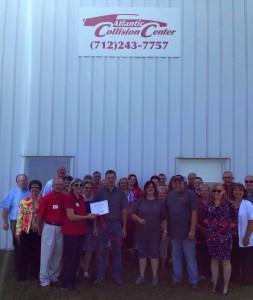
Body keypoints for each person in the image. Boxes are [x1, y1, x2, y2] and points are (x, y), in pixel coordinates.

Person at [93, 170, 129, 285]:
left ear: (115, 178)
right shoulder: (99, 193)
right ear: (105, 178)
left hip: (116, 224)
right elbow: (94, 211)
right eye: (108, 177)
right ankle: (100, 275)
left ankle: (117, 276)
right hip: (102, 224)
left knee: (117, 251)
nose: (110, 179)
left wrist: (124, 227)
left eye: (112, 177)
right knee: (101, 251)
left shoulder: (120, 193)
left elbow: (124, 210)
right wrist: (94, 227)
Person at [203, 183, 237, 295]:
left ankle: (226, 286)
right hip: (212, 237)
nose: (216, 193)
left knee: (226, 261)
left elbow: (234, 219)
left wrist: (225, 227)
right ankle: (215, 285)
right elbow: (204, 218)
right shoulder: (208, 204)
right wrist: (213, 226)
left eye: (219, 191)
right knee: (214, 260)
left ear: (223, 191)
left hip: (225, 236)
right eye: (214, 191)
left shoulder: (229, 204)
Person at [61, 178, 96, 291]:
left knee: (76, 257)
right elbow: (71, 216)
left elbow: (81, 213)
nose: (79, 186)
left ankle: (72, 280)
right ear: (72, 186)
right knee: (70, 258)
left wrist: (90, 214)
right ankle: (66, 284)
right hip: (71, 232)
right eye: (76, 185)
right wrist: (87, 217)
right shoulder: (69, 198)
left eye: (80, 185)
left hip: (81, 232)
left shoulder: (81, 198)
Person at [166, 175, 199, 290]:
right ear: (172, 184)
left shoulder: (191, 195)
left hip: (188, 234)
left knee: (190, 257)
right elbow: (167, 214)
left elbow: (195, 213)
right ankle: (176, 278)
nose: (177, 185)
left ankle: (194, 280)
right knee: (176, 257)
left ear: (184, 183)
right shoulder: (169, 195)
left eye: (179, 183)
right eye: (175, 183)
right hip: (174, 233)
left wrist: (192, 230)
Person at [131, 181, 167, 286]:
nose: (150, 189)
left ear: (155, 189)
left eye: (152, 187)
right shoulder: (140, 201)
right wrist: (138, 219)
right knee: (142, 255)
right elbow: (132, 214)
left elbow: (165, 218)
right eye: (148, 187)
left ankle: (155, 277)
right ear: (145, 189)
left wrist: (165, 231)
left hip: (155, 234)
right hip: (141, 233)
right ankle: (142, 276)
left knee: (154, 255)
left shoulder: (159, 203)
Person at [37, 178, 67, 287]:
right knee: (46, 254)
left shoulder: (65, 197)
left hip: (61, 228)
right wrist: (39, 228)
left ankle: (54, 277)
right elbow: (39, 215)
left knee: (58, 254)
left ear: (63, 186)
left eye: (60, 184)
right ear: (52, 186)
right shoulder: (47, 198)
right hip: (49, 227)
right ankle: (44, 280)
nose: (58, 186)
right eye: (56, 184)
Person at [0, 174, 30, 272]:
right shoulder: (13, 193)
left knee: (28, 244)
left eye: (24, 180)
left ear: (27, 181)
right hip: (16, 222)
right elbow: (5, 208)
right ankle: (18, 268)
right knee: (18, 244)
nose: (23, 182)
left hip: (30, 222)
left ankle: (27, 265)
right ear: (17, 182)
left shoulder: (31, 192)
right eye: (20, 180)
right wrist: (5, 222)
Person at [15, 180, 42, 281]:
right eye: (33, 187)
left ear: (40, 189)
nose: (35, 189)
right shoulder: (24, 201)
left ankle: (34, 274)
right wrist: (18, 232)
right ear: (30, 189)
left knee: (36, 253)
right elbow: (20, 217)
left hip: (38, 231)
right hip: (26, 231)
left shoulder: (43, 200)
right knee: (23, 253)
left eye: (37, 187)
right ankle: (22, 276)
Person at [230, 183, 253, 286]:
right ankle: (234, 277)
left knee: (246, 260)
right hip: (231, 236)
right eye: (235, 190)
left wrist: (247, 236)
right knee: (233, 258)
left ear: (243, 192)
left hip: (244, 236)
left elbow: (251, 221)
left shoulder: (248, 204)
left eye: (240, 190)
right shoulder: (229, 203)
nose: (237, 192)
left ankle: (246, 280)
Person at [117, 178, 137, 256]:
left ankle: (127, 252)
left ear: (127, 184)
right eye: (121, 183)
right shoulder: (116, 193)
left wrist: (127, 213)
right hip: (118, 218)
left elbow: (133, 205)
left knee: (127, 236)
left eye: (124, 183)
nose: (123, 184)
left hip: (128, 218)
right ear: (119, 184)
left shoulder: (131, 193)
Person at [196, 183, 211, 279]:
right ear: (199, 192)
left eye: (206, 190)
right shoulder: (197, 202)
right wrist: (201, 228)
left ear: (209, 192)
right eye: (202, 190)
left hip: (213, 231)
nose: (204, 192)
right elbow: (193, 217)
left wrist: (209, 228)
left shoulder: (214, 202)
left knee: (211, 252)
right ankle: (203, 272)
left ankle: (211, 272)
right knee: (201, 252)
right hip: (200, 230)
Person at [82, 180, 96, 278]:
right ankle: (79, 267)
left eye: (90, 188)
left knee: (89, 249)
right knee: (77, 248)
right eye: (87, 187)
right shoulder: (79, 198)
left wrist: (95, 227)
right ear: (83, 188)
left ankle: (86, 270)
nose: (89, 189)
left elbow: (96, 215)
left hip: (90, 227)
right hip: (79, 226)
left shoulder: (95, 199)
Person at [158, 186, 170, 269]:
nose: (162, 195)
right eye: (160, 193)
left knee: (163, 247)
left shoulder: (169, 205)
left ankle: (162, 265)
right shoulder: (154, 203)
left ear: (166, 195)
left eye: (163, 193)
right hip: (155, 229)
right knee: (154, 247)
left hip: (166, 229)